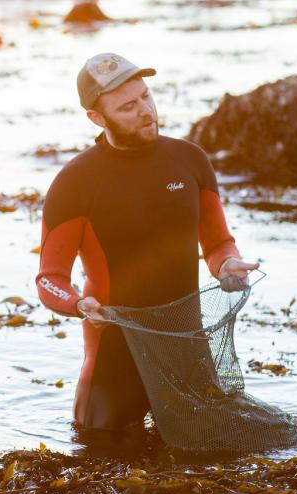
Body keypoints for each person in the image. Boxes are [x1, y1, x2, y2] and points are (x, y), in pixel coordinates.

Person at [36, 53, 259, 431]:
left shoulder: (189, 161)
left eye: (145, 96)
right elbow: (48, 278)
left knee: (206, 472)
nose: (145, 111)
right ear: (96, 117)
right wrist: (78, 304)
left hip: (187, 352)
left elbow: (218, 242)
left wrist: (227, 264)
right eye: (127, 106)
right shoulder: (76, 182)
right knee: (98, 471)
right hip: (113, 363)